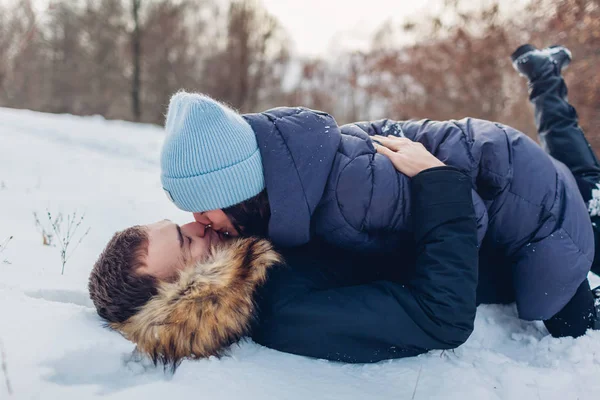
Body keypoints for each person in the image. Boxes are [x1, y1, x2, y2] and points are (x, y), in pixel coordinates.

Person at [88, 45, 600, 368]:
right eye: (184, 240)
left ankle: (547, 84)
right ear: (182, 296)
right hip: (512, 248)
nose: (197, 224)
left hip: (505, 203)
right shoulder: (287, 310)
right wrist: (439, 186)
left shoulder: (260, 219)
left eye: (184, 222)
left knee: (578, 188)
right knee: (583, 195)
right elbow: (441, 317)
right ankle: (547, 82)